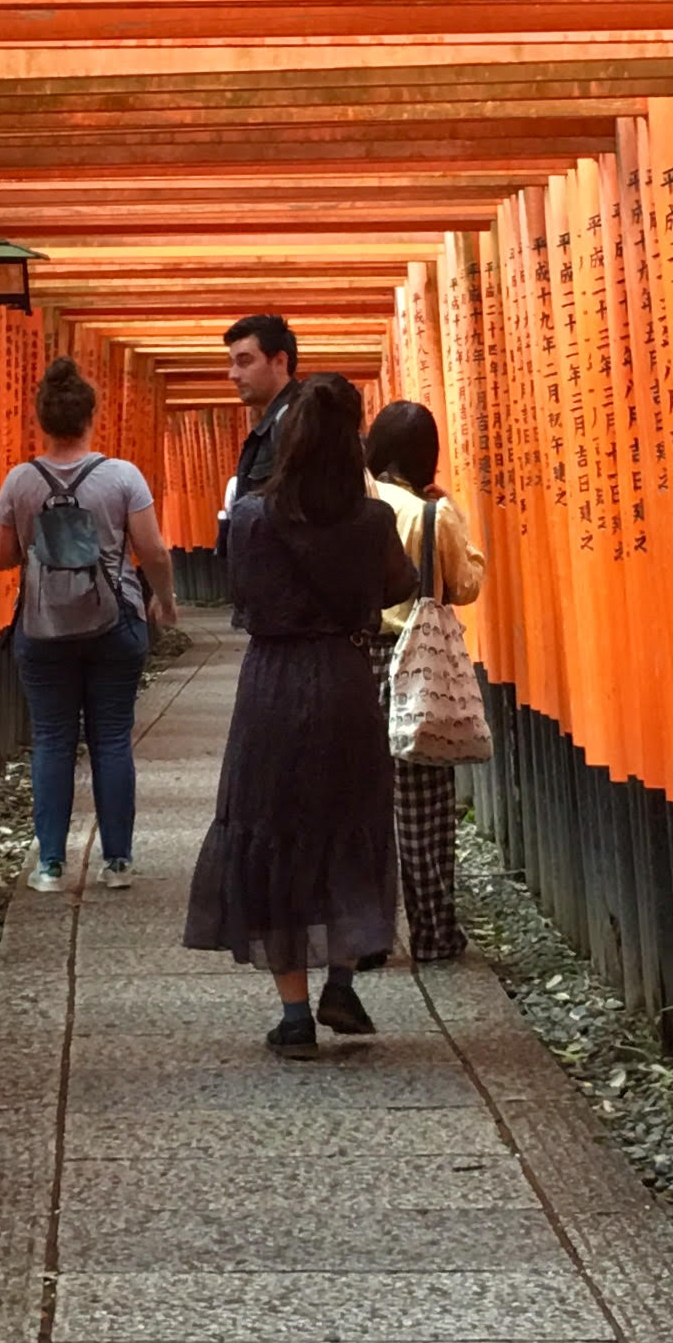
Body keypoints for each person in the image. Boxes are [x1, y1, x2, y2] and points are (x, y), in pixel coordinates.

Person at [185, 373, 420, 1054]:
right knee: (349, 827)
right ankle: (340, 983)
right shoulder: (372, 520)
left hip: (273, 686)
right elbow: (399, 587)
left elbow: (243, 596)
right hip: (345, 679)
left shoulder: (255, 517)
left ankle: (293, 1018)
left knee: (273, 832)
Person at [0, 355, 176, 895]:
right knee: (112, 738)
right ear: (93, 416)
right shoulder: (121, 477)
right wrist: (163, 601)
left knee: (51, 740)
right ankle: (116, 862)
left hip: (42, 629)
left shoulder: (21, 481)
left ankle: (50, 864)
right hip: (114, 623)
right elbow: (153, 550)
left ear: (41, 421)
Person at [365, 397, 486, 966]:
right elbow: (463, 587)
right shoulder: (428, 515)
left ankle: (363, 936)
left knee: (358, 802)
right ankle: (434, 933)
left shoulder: (356, 502)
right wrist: (455, 517)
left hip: (356, 660)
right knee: (423, 811)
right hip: (416, 665)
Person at [222, 311, 298, 506]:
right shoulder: (279, 420)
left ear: (280, 361)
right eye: (232, 363)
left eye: (244, 362)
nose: (233, 374)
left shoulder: (298, 420)